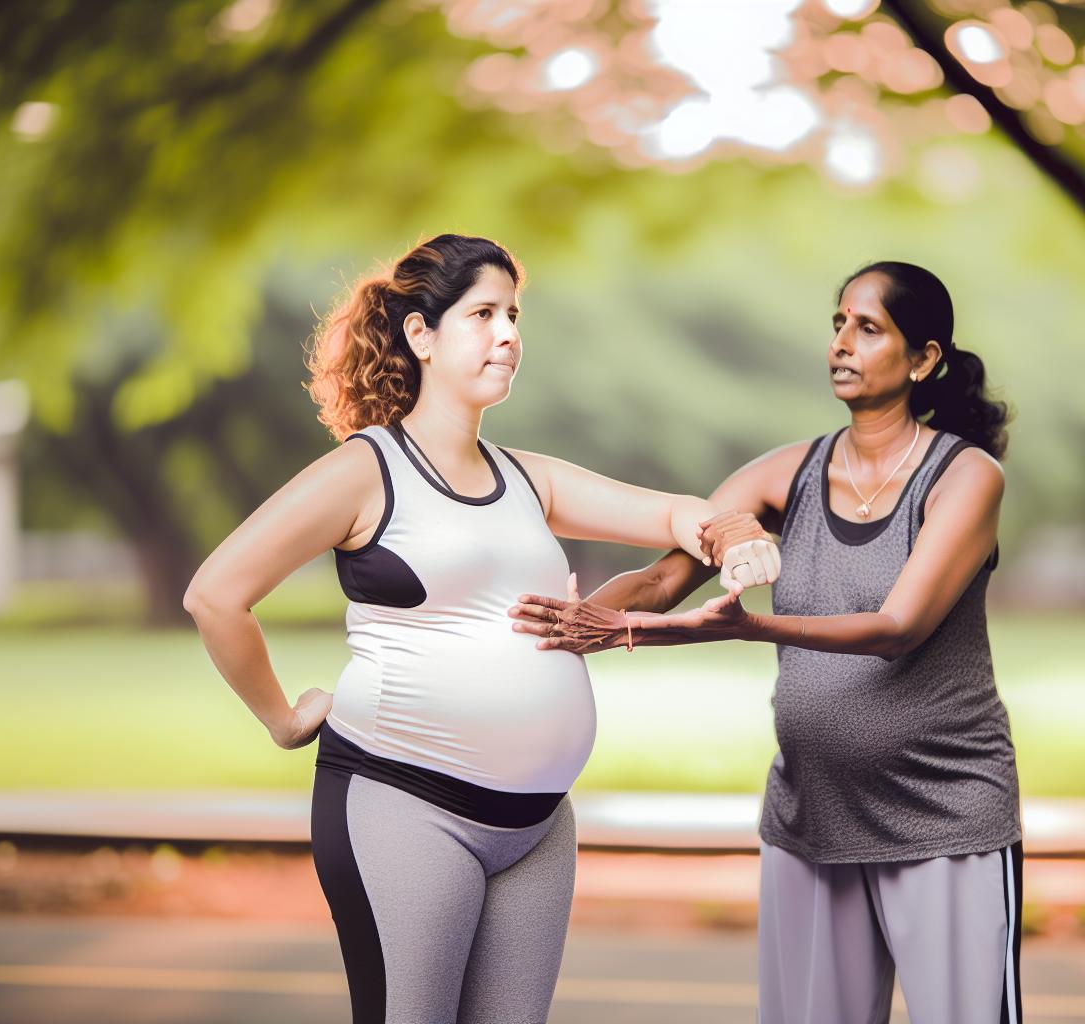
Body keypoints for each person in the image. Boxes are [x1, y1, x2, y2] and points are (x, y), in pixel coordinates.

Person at [182, 233, 778, 1024]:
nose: (509, 334)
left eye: (514, 314)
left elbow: (673, 512)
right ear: (421, 336)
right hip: (404, 802)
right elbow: (216, 595)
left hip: (536, 827)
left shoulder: (529, 478)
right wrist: (285, 720)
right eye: (484, 314)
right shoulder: (367, 471)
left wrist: (732, 532)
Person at [510, 260, 1022, 1024]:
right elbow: (658, 584)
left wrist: (740, 628)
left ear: (924, 359)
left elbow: (897, 627)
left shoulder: (965, 476)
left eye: (869, 328)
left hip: (946, 817)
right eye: (838, 322)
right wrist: (560, 627)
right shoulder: (787, 472)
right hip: (810, 817)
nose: (842, 343)